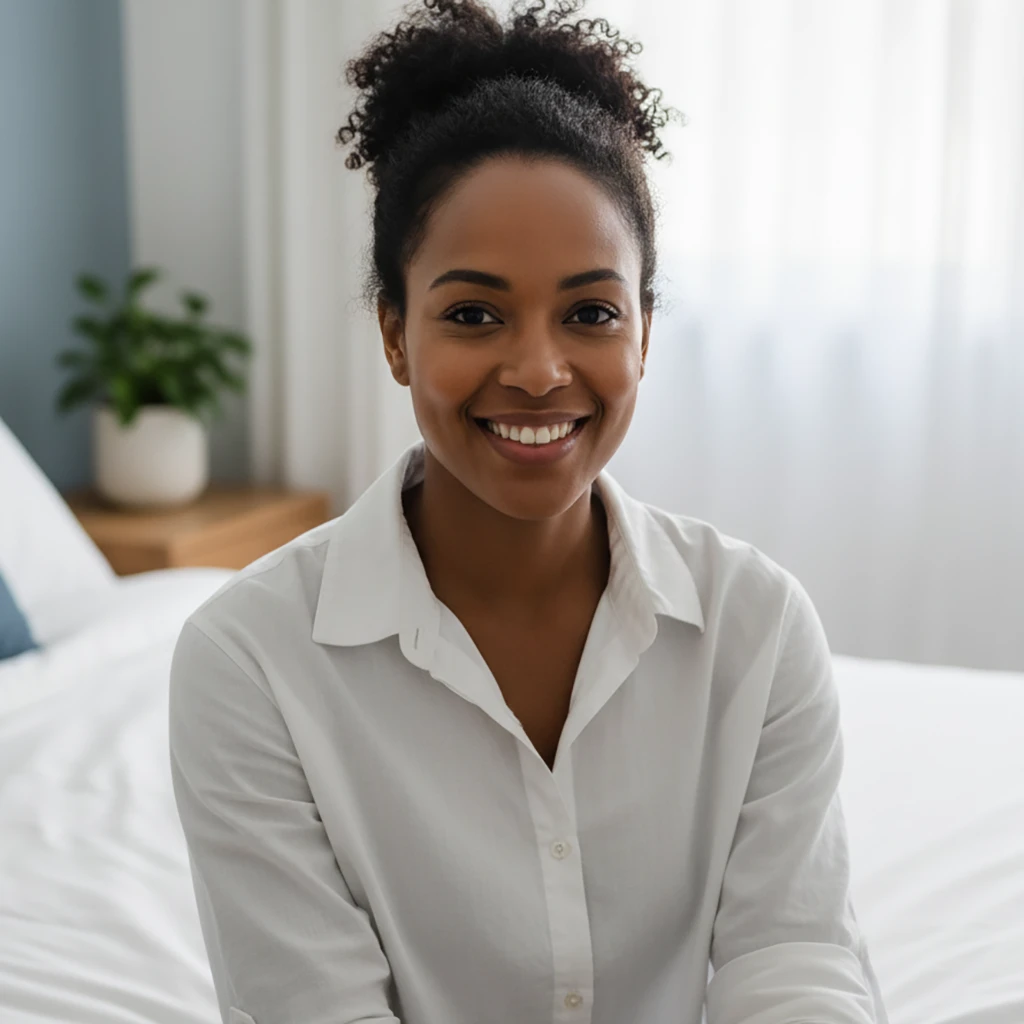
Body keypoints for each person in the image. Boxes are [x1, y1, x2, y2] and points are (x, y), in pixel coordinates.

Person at [168, 2, 889, 1022]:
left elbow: (794, 956)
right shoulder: (249, 665)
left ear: (644, 332)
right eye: (472, 313)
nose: (539, 370)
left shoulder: (757, 628)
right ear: (394, 334)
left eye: (590, 311)